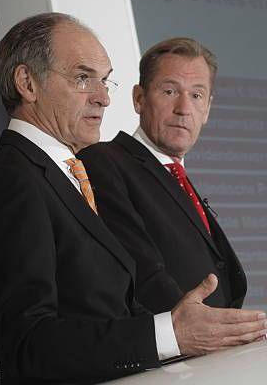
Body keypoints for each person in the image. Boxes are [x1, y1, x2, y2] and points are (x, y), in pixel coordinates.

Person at [0, 14, 267, 384]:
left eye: (104, 81)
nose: (103, 97)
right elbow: (28, 347)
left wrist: (182, 333)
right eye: (82, 78)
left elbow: (106, 310)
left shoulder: (66, 174)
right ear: (27, 82)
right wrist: (170, 333)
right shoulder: (9, 181)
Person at [79, 38, 246, 310]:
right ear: (139, 98)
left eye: (196, 95)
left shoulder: (175, 175)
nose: (183, 108)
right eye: (170, 91)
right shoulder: (104, 163)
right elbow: (137, 270)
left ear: (207, 109)